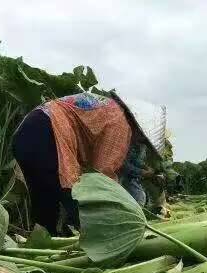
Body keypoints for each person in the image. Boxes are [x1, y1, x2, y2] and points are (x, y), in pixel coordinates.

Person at [12, 91, 135, 235]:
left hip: (30, 126)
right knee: (77, 203)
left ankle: (43, 245)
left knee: (45, 205)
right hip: (49, 131)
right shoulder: (120, 123)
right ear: (137, 127)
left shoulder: (109, 106)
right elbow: (101, 177)